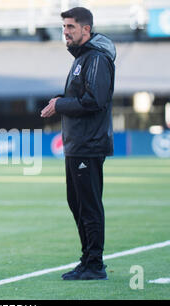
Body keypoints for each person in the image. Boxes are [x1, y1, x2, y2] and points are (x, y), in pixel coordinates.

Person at [41, 7, 116, 280]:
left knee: (89, 204)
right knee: (77, 203)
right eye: (64, 27)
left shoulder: (96, 58)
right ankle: (87, 260)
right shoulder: (83, 58)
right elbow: (81, 96)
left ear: (86, 29)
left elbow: (95, 101)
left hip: (89, 144)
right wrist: (58, 101)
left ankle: (95, 264)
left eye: (71, 27)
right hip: (77, 144)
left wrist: (60, 104)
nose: (66, 32)